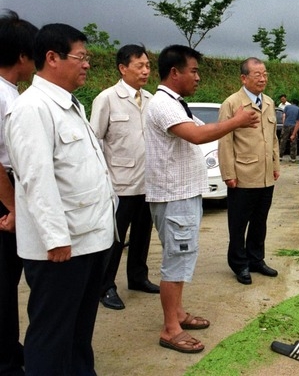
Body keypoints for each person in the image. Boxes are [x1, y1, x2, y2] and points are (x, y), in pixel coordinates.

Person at [4, 23, 116, 375]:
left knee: (79, 334)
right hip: (62, 249)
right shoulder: (31, 109)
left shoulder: (70, 104)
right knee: (52, 335)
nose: (86, 64)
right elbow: (36, 180)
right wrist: (55, 239)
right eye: (80, 57)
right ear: (52, 58)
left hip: (89, 239)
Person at [145, 45, 258, 353]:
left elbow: (201, 129)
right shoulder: (164, 104)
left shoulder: (176, 103)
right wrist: (236, 122)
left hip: (183, 194)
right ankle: (171, 328)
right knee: (175, 260)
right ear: (174, 72)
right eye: (193, 71)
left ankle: (178, 313)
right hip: (174, 197)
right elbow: (197, 136)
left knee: (182, 256)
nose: (197, 77)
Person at [90, 44, 159, 311]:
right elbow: (94, 141)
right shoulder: (106, 98)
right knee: (114, 239)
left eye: (148, 66)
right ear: (122, 68)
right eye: (139, 66)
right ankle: (105, 286)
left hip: (146, 182)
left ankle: (138, 277)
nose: (145, 71)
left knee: (142, 234)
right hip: (119, 183)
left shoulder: (151, 99)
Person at [218, 57, 280, 285]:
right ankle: (239, 263)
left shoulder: (270, 102)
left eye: (265, 74)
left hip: (265, 174)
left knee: (260, 221)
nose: (262, 78)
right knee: (238, 223)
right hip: (243, 174)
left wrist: (275, 165)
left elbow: (272, 138)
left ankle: (256, 259)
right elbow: (225, 140)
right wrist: (228, 173)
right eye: (257, 75)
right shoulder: (232, 104)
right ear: (244, 78)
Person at [0, 9, 37, 376]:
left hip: (10, 189)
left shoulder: (11, 92)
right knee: (4, 285)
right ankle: (7, 361)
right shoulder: (3, 96)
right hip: (6, 192)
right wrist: (12, 206)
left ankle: (11, 348)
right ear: (23, 57)